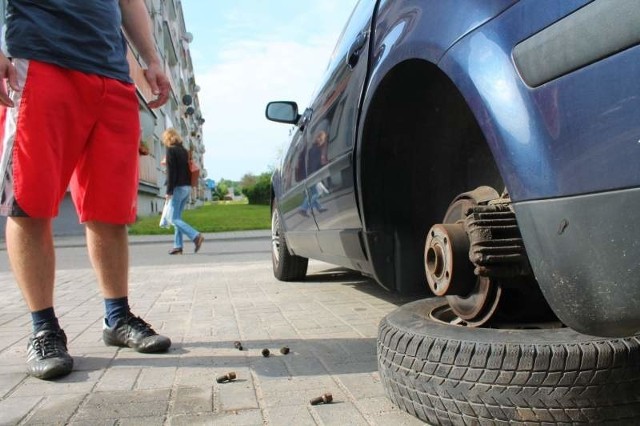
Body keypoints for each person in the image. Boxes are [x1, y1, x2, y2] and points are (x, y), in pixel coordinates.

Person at [0, 0, 172, 380]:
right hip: (40, 63)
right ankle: (44, 328)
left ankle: (118, 317)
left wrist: (153, 60)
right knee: (29, 203)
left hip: (112, 75)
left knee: (110, 210)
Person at [162, 128, 205, 255]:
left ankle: (196, 236)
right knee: (177, 218)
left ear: (168, 138)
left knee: (172, 218)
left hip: (177, 188)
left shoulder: (171, 151)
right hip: (187, 187)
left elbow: (171, 173)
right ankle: (178, 246)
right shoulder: (184, 151)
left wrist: (169, 191)